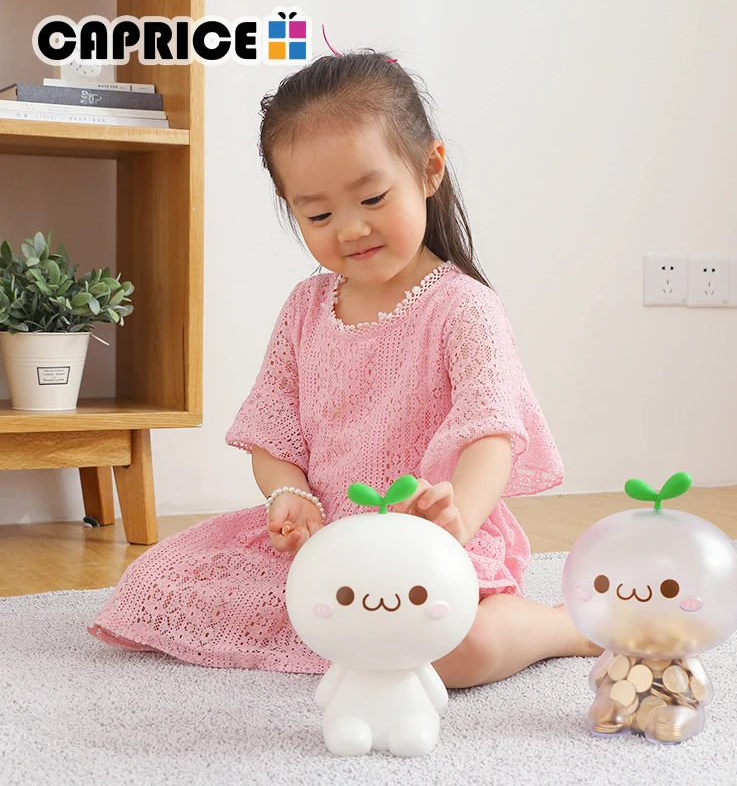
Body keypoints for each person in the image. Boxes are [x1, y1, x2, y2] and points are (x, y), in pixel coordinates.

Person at [88, 43, 601, 687]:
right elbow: (272, 432)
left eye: (373, 198)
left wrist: (454, 524)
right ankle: (341, 624)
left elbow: (490, 433)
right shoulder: (306, 308)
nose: (351, 229)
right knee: (155, 585)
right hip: (327, 539)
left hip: (424, 546)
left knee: (447, 646)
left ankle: (560, 626)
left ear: (430, 169)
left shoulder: (464, 307)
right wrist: (290, 495)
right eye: (320, 214)